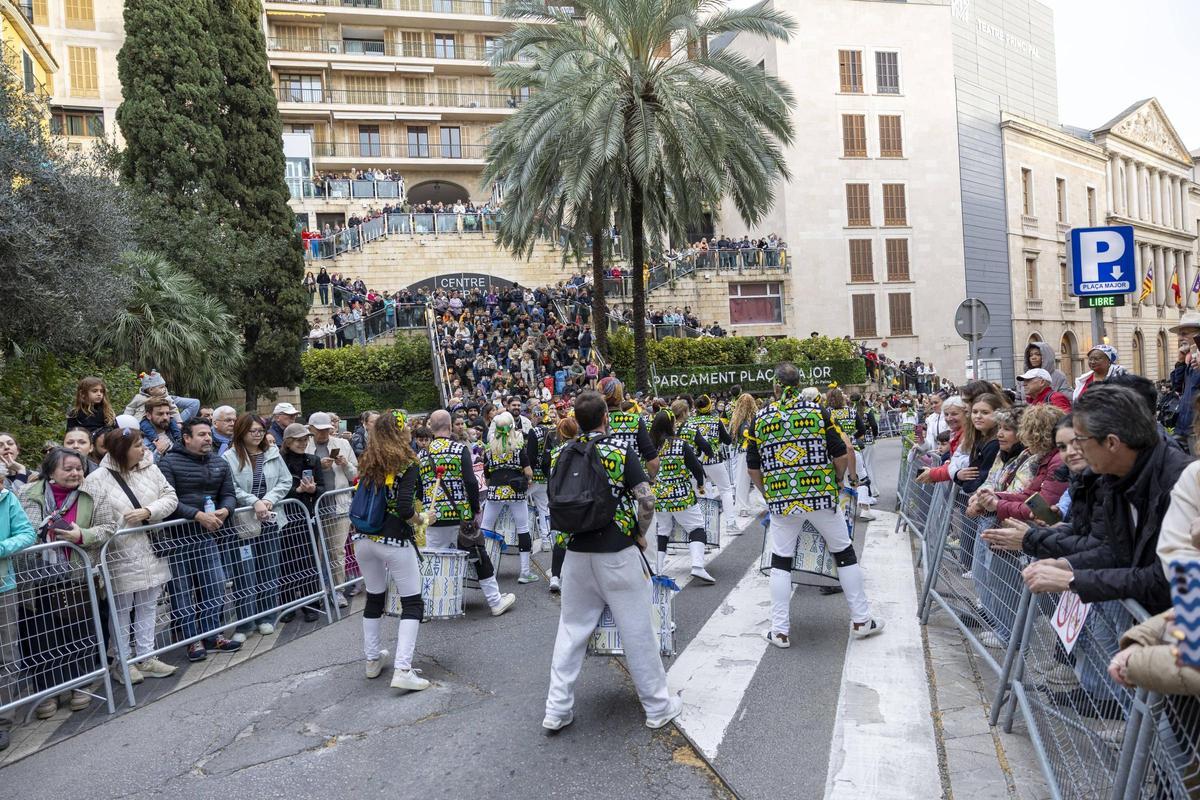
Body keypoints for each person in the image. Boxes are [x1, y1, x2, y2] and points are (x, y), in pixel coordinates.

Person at [542, 391, 681, 732]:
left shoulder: (559, 454)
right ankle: (657, 706)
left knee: (571, 631)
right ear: (606, 417)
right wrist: (638, 532)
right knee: (638, 631)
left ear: (576, 418)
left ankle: (556, 709)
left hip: (575, 554)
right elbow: (645, 499)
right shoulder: (619, 451)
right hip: (617, 552)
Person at [1022, 385, 1191, 614]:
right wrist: (1064, 565)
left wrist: (1073, 579)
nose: (1076, 450)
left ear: (1111, 443)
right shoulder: (1112, 478)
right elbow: (1114, 551)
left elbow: (1165, 579)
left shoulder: (1180, 483)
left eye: (1080, 439)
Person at [748, 363, 884, 648]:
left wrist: (768, 494)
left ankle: (780, 631)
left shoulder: (760, 419)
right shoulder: (818, 412)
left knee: (781, 562)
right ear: (798, 384)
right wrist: (835, 480)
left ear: (775, 386)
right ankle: (861, 619)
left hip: (782, 501)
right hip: (821, 497)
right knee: (844, 552)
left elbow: (753, 469)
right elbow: (841, 453)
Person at [18, 447, 116, 717]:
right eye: (68, 468)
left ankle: (81, 685)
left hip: (77, 576)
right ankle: (47, 692)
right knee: (40, 636)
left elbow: (109, 527)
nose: (75, 473)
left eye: (78, 468)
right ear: (51, 471)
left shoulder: (94, 493)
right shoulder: (26, 495)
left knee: (80, 632)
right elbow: (18, 529)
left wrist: (81, 535)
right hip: (36, 580)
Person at [83, 426, 178, 683]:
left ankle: (146, 656)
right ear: (122, 450)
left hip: (152, 548)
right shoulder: (97, 479)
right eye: (137, 445)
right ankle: (122, 661)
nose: (144, 449)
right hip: (119, 554)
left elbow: (170, 497)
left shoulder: (151, 467)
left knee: (148, 604)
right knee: (122, 609)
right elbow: (94, 519)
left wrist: (148, 511)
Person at [355, 411, 429, 691]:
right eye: (407, 427)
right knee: (413, 603)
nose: (411, 430)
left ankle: (372, 659)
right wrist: (422, 520)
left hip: (363, 539)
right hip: (394, 541)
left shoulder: (368, 459)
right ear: (399, 433)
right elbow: (405, 507)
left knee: (374, 598)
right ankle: (403, 669)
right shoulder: (407, 462)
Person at [157, 419, 243, 661]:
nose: (208, 438)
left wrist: (225, 511)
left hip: (207, 537)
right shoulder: (168, 463)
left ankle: (213, 634)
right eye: (202, 434)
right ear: (186, 437)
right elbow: (168, 501)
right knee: (182, 592)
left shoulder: (219, 461)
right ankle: (191, 640)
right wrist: (197, 515)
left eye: (208, 434)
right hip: (177, 540)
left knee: (214, 586)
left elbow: (229, 494)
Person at [418, 409, 515, 616]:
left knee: (434, 562)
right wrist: (474, 507)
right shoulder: (458, 449)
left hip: (433, 516)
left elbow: (419, 487)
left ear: (430, 428)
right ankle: (495, 601)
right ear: (450, 426)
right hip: (461, 515)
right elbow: (471, 482)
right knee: (478, 556)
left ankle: (429, 607)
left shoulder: (421, 455)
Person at [223, 414, 291, 640]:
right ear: (241, 431)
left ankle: (267, 617)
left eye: (260, 430)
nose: (257, 434)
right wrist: (253, 501)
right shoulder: (229, 457)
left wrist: (269, 499)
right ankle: (245, 623)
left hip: (271, 519)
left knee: (269, 568)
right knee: (245, 572)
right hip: (244, 523)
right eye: (252, 430)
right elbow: (230, 487)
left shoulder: (272, 453)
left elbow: (285, 480)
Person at [648, 409, 714, 583]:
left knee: (662, 530)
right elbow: (697, 468)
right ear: (671, 425)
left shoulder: (650, 447)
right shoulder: (680, 444)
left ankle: (658, 569)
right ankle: (698, 566)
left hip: (659, 497)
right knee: (696, 527)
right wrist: (700, 484)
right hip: (681, 495)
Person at [305, 412, 358, 605]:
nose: (323, 434)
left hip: (339, 506)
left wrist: (345, 464)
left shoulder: (342, 444)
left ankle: (338, 590)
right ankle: (320, 590)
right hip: (313, 508)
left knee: (337, 551)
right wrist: (318, 467)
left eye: (326, 430)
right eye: (319, 430)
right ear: (310, 429)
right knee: (317, 551)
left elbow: (355, 475)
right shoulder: (306, 446)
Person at [480, 412, 537, 584]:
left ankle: (485, 570)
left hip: (495, 491)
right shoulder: (518, 445)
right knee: (522, 528)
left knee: (486, 528)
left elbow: (487, 473)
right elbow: (528, 471)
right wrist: (529, 479)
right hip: (515, 491)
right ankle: (525, 572)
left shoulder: (490, 448)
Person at [279, 423, 327, 623]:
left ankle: (311, 604)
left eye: (305, 439)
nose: (303, 443)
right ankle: (288, 604)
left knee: (308, 560)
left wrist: (313, 490)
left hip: (308, 516)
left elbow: (324, 488)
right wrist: (296, 492)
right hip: (285, 517)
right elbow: (275, 489)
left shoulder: (313, 460)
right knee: (286, 561)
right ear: (288, 441)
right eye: (298, 439)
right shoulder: (279, 460)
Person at [0, 480, 35, 750]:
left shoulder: (7, 499)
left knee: (6, 654)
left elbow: (26, 533)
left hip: (3, 587)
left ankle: (3, 720)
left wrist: (1, 548)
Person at [689, 395, 736, 534]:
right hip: (715, 461)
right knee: (726, 490)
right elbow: (728, 441)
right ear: (710, 406)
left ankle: (704, 530)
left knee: (700, 495)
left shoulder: (690, 422)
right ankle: (731, 524)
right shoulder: (716, 421)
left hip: (697, 464)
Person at [542, 416, 579, 593]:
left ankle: (555, 576)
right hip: (581, 498)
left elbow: (550, 478)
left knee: (561, 539)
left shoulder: (555, 453)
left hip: (561, 500)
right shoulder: (584, 448)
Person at [598, 377, 658, 476]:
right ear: (621, 395)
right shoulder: (635, 421)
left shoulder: (593, 421)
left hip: (600, 484)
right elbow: (653, 462)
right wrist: (648, 479)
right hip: (632, 483)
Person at [1168, 313, 1200, 452]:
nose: (1180, 338)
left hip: (1196, 429)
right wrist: (1180, 361)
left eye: (1184, 333)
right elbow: (1177, 387)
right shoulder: (1188, 358)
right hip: (1182, 427)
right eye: (1179, 334)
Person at [123, 370, 200, 425]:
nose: (164, 389)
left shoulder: (167, 398)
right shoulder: (139, 398)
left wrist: (179, 422)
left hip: (163, 424)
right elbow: (130, 408)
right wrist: (126, 421)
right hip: (141, 423)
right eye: (161, 387)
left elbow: (174, 409)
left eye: (164, 386)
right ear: (151, 389)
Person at [728, 393, 759, 518]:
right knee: (761, 478)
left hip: (743, 452)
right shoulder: (758, 416)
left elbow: (732, 438)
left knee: (742, 481)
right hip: (758, 451)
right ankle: (766, 503)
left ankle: (743, 507)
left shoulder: (736, 421)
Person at [139, 396, 180, 462]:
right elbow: (146, 468)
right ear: (149, 415)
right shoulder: (141, 442)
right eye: (160, 414)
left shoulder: (174, 431)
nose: (165, 417)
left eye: (167, 413)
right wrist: (158, 452)